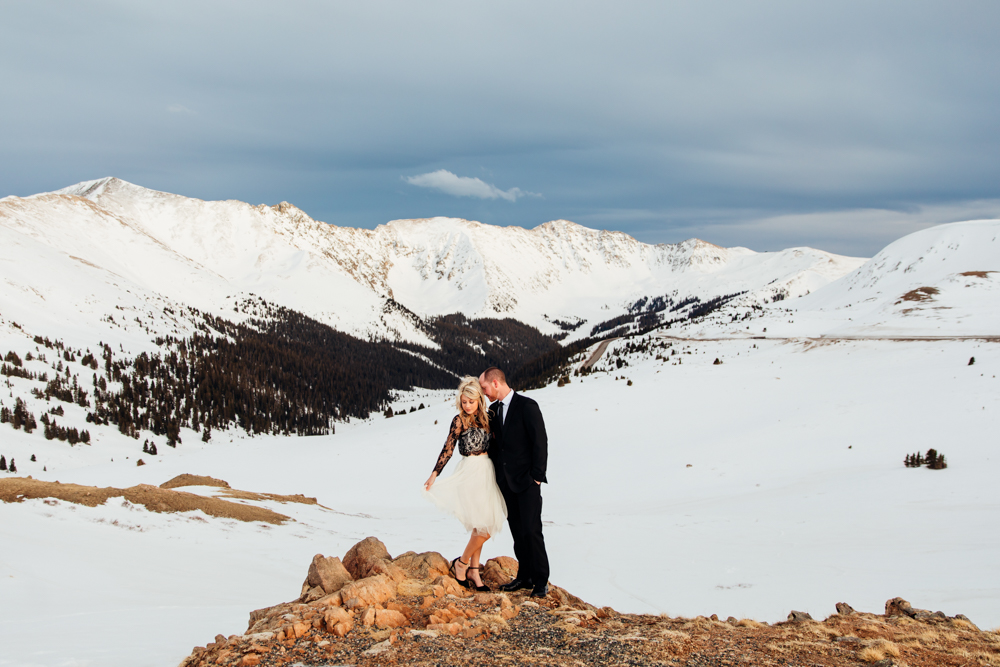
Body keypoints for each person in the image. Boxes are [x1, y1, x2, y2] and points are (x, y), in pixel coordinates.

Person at [423, 376, 507, 591]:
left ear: (479, 399)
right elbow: (448, 448)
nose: (467, 406)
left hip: (487, 470)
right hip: (469, 472)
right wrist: (435, 473)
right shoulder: (459, 420)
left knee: (483, 526)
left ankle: (470, 569)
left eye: (471, 401)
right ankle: (464, 566)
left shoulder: (488, 417)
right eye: (464, 402)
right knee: (483, 527)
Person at [478, 366, 550, 598]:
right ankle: (524, 576)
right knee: (518, 533)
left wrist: (537, 477)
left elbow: (540, 442)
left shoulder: (527, 406)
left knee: (532, 531)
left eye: (485, 387)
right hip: (506, 484)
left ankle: (541, 582)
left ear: (496, 383)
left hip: (528, 482)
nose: (484, 392)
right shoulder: (493, 410)